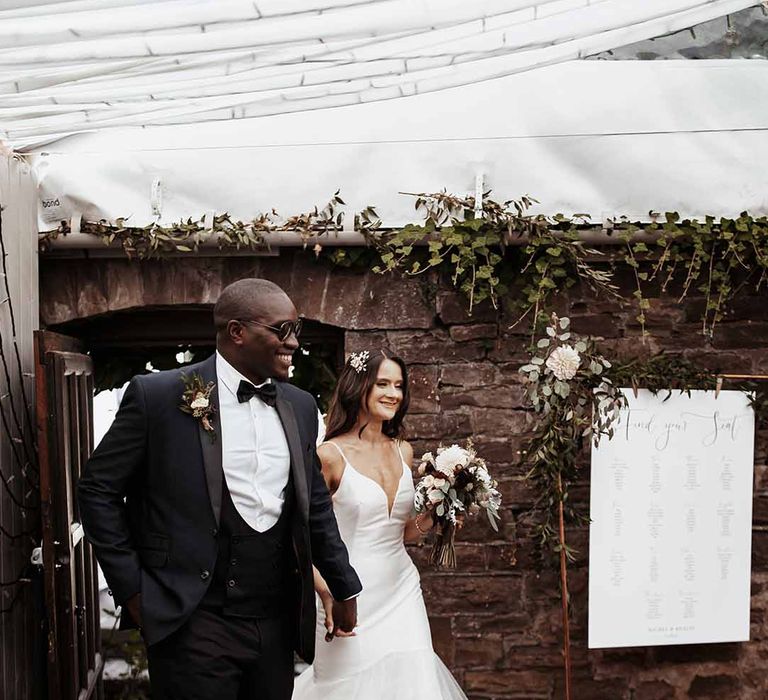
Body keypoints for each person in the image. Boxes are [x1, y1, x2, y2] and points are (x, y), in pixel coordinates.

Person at [78, 278, 362, 700]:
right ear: (237, 332)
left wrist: (343, 585)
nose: (295, 342)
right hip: (192, 620)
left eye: (297, 328)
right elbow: (97, 490)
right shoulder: (157, 396)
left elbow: (313, 504)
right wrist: (134, 590)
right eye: (282, 330)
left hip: (273, 623)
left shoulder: (300, 406)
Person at [292, 349, 468, 699]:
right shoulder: (329, 456)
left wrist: (440, 509)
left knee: (416, 682)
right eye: (383, 383)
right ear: (359, 387)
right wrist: (327, 592)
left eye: (399, 386)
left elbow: (404, 531)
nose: (394, 394)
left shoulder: (403, 451)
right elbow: (300, 539)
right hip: (347, 594)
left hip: (401, 589)